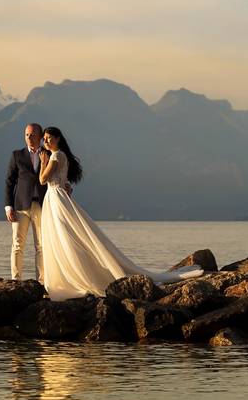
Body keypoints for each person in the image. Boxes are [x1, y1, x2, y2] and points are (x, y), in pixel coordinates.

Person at [37, 126, 202, 300]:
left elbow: (42, 180)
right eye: (45, 138)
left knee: (64, 237)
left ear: (57, 139)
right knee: (67, 236)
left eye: (49, 138)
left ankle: (75, 277)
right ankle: (75, 274)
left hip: (56, 198)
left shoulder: (55, 157)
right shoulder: (61, 155)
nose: (45, 141)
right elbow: (61, 181)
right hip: (58, 197)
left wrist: (42, 162)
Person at [4, 123, 47, 282]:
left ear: (40, 137)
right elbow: (10, 181)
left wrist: (66, 186)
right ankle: (16, 280)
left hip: (42, 206)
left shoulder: (47, 154)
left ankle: (42, 282)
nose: (29, 138)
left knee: (41, 246)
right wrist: (9, 206)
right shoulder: (17, 155)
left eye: (32, 135)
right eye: (27, 135)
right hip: (20, 206)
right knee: (17, 245)